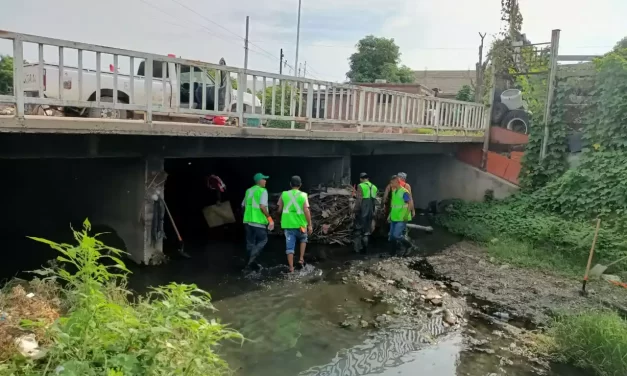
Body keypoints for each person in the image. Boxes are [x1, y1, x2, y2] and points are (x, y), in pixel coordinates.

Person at [277, 176, 313, 273]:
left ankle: (291, 268)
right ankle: (301, 259)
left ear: (290, 184)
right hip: (301, 224)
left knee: (290, 247)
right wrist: (309, 225)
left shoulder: (284, 194)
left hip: (288, 225)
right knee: (303, 240)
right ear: (300, 185)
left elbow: (279, 210)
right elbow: (306, 211)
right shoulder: (304, 195)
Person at [241, 173, 274, 269]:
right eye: (264, 179)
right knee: (263, 240)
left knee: (250, 242)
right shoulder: (262, 191)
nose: (265, 181)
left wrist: (245, 216)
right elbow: (262, 206)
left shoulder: (248, 191)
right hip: (258, 221)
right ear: (259, 181)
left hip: (247, 221)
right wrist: (270, 219)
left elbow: (242, 205)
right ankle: (251, 260)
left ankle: (248, 263)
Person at [387, 175, 416, 256]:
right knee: (392, 237)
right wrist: (389, 215)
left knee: (396, 235)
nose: (391, 184)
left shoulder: (404, 192)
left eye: (392, 183)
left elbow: (409, 203)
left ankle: (409, 246)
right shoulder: (394, 191)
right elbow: (394, 205)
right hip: (394, 217)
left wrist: (407, 215)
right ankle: (392, 253)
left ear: (396, 182)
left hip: (402, 218)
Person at [353, 172, 378, 253]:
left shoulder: (361, 186)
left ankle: (357, 250)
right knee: (366, 231)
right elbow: (374, 201)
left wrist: (355, 210)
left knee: (358, 230)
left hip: (362, 211)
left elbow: (359, 200)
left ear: (361, 179)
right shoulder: (374, 187)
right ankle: (365, 250)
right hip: (371, 211)